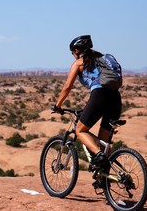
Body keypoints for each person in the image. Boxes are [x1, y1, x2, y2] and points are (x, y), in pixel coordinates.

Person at [52, 35, 122, 187]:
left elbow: (67, 87)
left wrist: (58, 105)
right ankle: (104, 180)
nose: (73, 55)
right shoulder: (101, 60)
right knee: (104, 144)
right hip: (115, 98)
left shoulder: (79, 63)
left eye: (72, 52)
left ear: (77, 51)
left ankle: (97, 155)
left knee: (80, 131)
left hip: (100, 96)